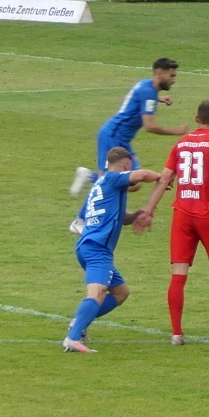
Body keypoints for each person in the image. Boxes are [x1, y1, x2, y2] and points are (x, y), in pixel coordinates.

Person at [137, 100, 209, 346]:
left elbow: (164, 179)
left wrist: (149, 209)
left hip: (182, 214)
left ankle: (176, 333)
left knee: (179, 273)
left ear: (196, 119)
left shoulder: (181, 143)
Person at [63, 146, 161, 353]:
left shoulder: (101, 184)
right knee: (97, 292)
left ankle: (79, 322)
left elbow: (119, 217)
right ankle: (73, 338)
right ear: (125, 165)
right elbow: (143, 175)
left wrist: (137, 215)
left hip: (89, 246)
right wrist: (162, 177)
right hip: (97, 248)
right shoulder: (113, 178)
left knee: (121, 292)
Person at [70, 59, 188, 229]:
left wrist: (157, 98)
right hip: (112, 137)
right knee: (105, 182)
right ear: (159, 73)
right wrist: (176, 131)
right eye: (171, 76)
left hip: (122, 140)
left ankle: (89, 176)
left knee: (135, 183)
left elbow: (131, 97)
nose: (173, 80)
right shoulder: (148, 91)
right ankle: (80, 221)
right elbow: (149, 126)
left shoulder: (146, 86)